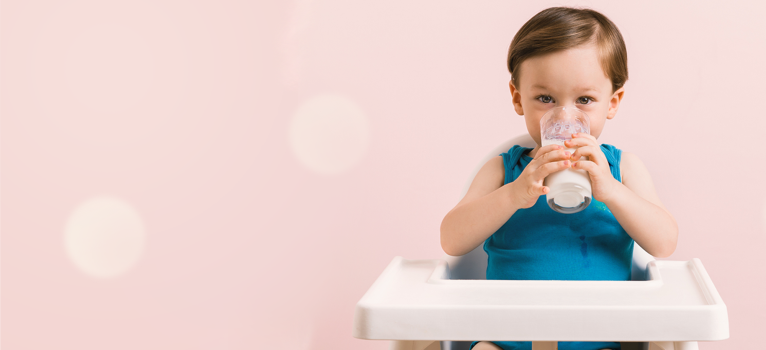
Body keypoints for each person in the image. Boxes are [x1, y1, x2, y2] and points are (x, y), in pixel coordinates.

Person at [439, 7, 679, 350]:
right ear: (518, 98)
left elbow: (665, 242)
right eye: (545, 98)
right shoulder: (502, 171)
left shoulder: (623, 169)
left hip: (597, 343)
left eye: (584, 100)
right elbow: (451, 239)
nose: (565, 118)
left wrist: (610, 190)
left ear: (613, 102)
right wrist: (514, 193)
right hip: (506, 340)